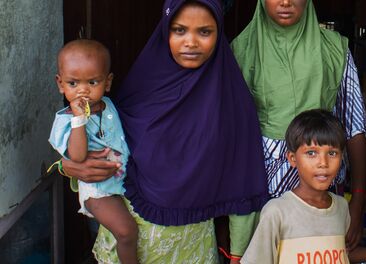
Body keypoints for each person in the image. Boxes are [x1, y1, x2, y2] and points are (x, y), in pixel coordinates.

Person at [60, 0, 269, 263]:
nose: (190, 42)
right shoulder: (139, 90)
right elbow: (91, 138)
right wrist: (66, 165)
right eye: (179, 30)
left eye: (204, 31)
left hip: (191, 247)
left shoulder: (230, 100)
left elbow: (243, 180)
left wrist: (238, 252)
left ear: (219, 33)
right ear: (164, 31)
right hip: (130, 244)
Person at [231, 0, 366, 250]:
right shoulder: (240, 50)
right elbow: (228, 135)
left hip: (322, 190)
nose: (285, 2)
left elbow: (354, 127)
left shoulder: (334, 49)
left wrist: (359, 199)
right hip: (256, 194)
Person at [242, 109, 366, 264]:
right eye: (311, 153)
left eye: (332, 153)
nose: (323, 163)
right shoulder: (277, 212)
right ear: (292, 158)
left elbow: (341, 254)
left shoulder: (342, 207)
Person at [49, 39, 138, 264]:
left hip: (121, 181)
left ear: (107, 83)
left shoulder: (108, 104)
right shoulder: (66, 120)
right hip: (99, 189)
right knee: (126, 231)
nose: (83, 90)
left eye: (92, 81)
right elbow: (77, 157)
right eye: (72, 83)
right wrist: (79, 120)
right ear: (60, 84)